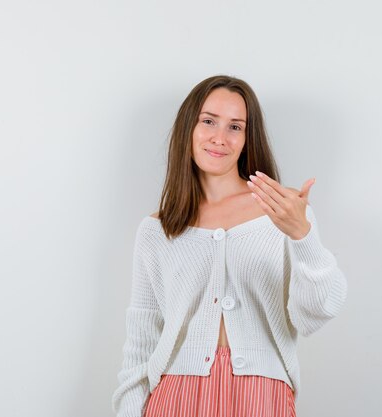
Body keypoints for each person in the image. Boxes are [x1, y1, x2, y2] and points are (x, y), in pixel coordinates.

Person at [111, 74, 348, 417]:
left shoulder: (283, 212)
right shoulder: (157, 230)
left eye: (235, 127)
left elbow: (314, 314)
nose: (220, 138)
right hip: (174, 395)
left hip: (262, 396)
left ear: (247, 137)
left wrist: (303, 236)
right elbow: (141, 339)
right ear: (188, 129)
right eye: (208, 121)